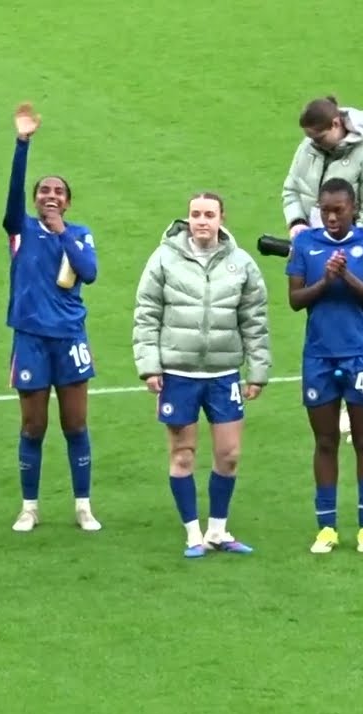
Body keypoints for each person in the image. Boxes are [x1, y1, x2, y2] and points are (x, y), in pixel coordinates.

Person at [132, 192, 272, 558]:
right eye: (196, 214)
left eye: (209, 214)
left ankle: (218, 531)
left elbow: (254, 321)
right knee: (183, 455)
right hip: (178, 375)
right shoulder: (164, 258)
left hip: (224, 374)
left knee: (229, 454)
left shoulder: (241, 263)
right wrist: (149, 366)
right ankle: (193, 533)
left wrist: (257, 371)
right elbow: (146, 312)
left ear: (222, 218)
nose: (202, 221)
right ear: (188, 219)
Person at [2, 102, 101, 534]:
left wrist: (63, 231)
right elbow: (12, 195)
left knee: (76, 423)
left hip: (69, 338)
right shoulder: (19, 228)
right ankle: (29, 506)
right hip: (31, 339)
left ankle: (83, 505)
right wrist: (23, 143)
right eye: (44, 191)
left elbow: (91, 272)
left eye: (58, 192)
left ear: (68, 201)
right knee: (33, 425)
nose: (50, 196)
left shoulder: (78, 234)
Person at [282, 95, 363, 441]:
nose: (312, 144)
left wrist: (343, 246)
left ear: (336, 125)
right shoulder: (309, 149)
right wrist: (299, 225)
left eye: (318, 137)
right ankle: (332, 394)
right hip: (314, 249)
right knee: (322, 316)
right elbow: (292, 189)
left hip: (362, 250)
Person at [285, 178, 363, 555]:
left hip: (361, 354)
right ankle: (326, 527)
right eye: (325, 210)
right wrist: (326, 280)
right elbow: (296, 300)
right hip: (318, 356)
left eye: (338, 210)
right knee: (325, 442)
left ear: (353, 208)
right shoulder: (305, 244)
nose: (331, 217)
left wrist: (345, 275)